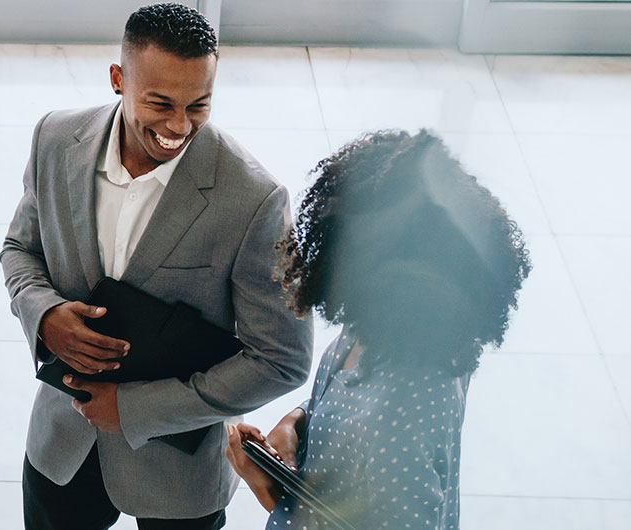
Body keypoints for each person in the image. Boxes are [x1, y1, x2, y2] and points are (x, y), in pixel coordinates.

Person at [0, 3, 314, 529]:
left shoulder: (255, 200)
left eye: (199, 105)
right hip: (62, 447)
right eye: (160, 103)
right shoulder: (54, 139)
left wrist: (136, 410)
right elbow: (19, 249)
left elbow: (283, 358)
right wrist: (44, 314)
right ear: (118, 79)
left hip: (182, 476)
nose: (178, 126)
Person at [223, 130, 532, 529]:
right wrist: (297, 421)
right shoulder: (395, 328)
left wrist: (270, 492)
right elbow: (339, 406)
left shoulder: (398, 419)